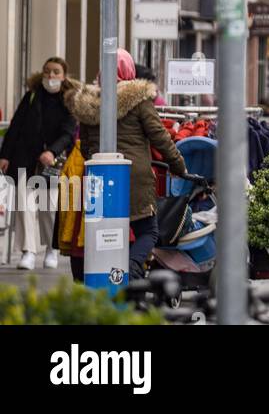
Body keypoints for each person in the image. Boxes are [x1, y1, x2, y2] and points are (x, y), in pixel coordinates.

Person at [68, 50, 188, 281]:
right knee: (148, 230)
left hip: (100, 177)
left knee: (106, 232)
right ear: (128, 71)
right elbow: (160, 137)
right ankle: (131, 269)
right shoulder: (139, 101)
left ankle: (107, 280)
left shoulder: (89, 104)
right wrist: (179, 165)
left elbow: (84, 147)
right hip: (134, 177)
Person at [0, 57, 79, 271]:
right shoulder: (32, 96)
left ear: (64, 76)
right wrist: (5, 155)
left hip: (52, 163)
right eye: (47, 72)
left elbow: (69, 132)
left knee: (49, 208)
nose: (50, 76)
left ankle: (51, 250)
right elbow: (15, 127)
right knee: (24, 205)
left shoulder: (69, 100)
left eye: (55, 72)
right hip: (25, 158)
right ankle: (28, 251)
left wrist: (52, 151)